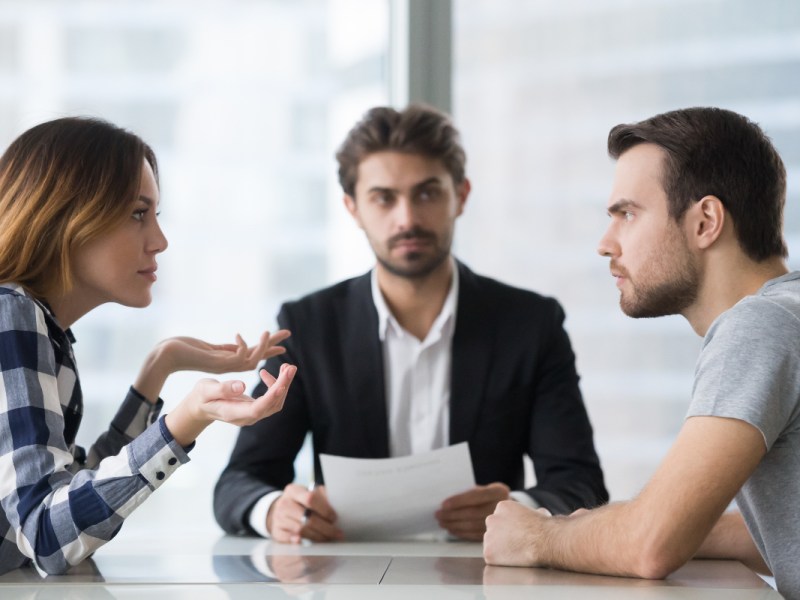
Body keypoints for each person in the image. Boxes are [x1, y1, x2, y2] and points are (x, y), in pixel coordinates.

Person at [214, 104, 607, 544]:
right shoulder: (308, 326)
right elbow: (239, 482)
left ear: (461, 196)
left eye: (427, 193)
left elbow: (580, 483)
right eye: (384, 198)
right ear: (353, 208)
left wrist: (519, 511)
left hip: (485, 578)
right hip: (349, 582)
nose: (407, 219)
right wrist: (274, 513)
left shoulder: (531, 325)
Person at [483, 107, 799, 599]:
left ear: (705, 222)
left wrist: (536, 536)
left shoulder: (759, 327)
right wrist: (640, 524)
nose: (605, 245)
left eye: (627, 214)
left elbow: (649, 548)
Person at [0, 117, 297, 576]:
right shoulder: (11, 315)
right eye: (139, 213)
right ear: (66, 216)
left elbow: (70, 497)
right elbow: (48, 536)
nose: (159, 241)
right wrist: (186, 420)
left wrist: (161, 367)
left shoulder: (35, 322)